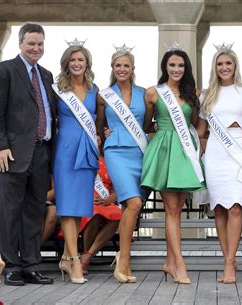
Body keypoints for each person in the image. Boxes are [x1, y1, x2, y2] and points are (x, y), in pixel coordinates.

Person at [0, 22, 55, 286]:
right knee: (11, 211)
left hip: (41, 152)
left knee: (34, 212)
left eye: (39, 44)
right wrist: (1, 145)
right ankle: (11, 266)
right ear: (20, 43)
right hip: (12, 153)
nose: (35, 48)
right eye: (31, 44)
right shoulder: (4, 70)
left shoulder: (47, 75)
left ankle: (31, 265)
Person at [141, 46, 204, 284]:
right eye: (172, 65)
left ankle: (170, 261)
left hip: (186, 153)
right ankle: (180, 265)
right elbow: (147, 125)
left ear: (185, 68)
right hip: (165, 152)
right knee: (172, 210)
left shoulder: (192, 94)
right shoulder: (153, 93)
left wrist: (199, 148)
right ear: (165, 67)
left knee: (177, 210)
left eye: (181, 65)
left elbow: (197, 125)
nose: (177, 69)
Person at [197, 45, 242, 284]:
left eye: (228, 64)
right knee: (219, 209)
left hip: (238, 153)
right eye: (220, 64)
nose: (224, 68)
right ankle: (227, 259)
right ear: (215, 67)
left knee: (235, 207)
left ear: (235, 66)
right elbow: (201, 131)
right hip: (215, 154)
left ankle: (230, 262)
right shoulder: (206, 95)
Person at [96, 48, 146, 283]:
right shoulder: (105, 95)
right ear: (112, 69)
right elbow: (97, 125)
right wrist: (105, 133)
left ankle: (123, 260)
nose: (122, 69)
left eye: (126, 65)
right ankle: (124, 258)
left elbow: (148, 125)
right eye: (118, 66)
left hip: (139, 152)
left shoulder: (144, 94)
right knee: (133, 203)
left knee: (130, 208)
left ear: (133, 69)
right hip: (115, 150)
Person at [53, 42, 99, 284]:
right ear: (66, 64)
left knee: (80, 207)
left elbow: (101, 121)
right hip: (65, 150)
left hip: (87, 150)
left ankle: (66, 256)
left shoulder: (94, 90)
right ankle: (74, 260)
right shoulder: (59, 89)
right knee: (67, 206)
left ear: (87, 63)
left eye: (81, 59)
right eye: (72, 60)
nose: (77, 63)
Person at [80, 135, 120, 276]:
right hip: (85, 200)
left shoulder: (110, 161)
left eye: (97, 135)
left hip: (106, 201)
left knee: (117, 215)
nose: (95, 138)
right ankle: (86, 254)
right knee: (94, 214)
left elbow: (118, 188)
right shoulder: (81, 158)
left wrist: (109, 199)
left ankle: (87, 256)